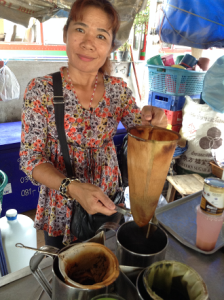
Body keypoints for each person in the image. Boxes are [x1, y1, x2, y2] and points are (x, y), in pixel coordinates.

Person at [20, 0, 167, 248]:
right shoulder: (41, 90)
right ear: (65, 33)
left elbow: (146, 137)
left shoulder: (118, 90)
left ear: (110, 46)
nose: (89, 43)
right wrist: (73, 187)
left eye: (101, 35)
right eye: (80, 29)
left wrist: (155, 121)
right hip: (61, 206)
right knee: (66, 273)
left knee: (107, 262)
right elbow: (30, 159)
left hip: (108, 202)